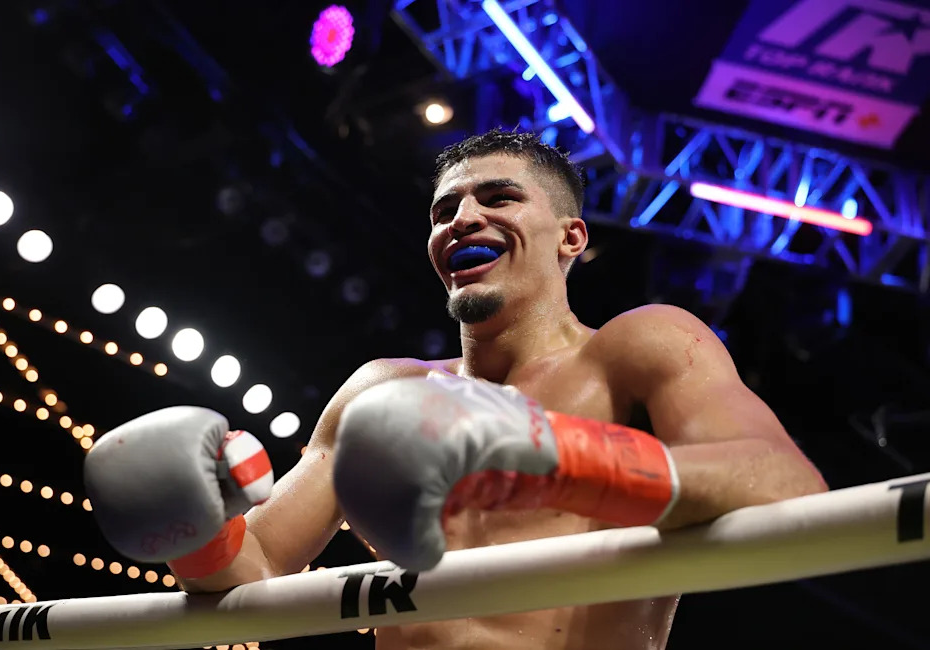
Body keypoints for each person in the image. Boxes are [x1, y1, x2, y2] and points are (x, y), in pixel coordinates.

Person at [84, 129, 828, 650]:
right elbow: (256, 576)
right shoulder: (382, 391)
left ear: (571, 237)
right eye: (445, 210)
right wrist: (196, 531)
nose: (464, 217)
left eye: (500, 198)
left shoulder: (638, 348)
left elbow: (790, 492)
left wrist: (555, 454)